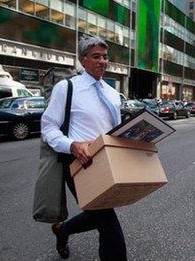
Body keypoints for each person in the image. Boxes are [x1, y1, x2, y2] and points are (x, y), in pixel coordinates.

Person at [41, 36, 126, 260]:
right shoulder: (66, 88)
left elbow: (114, 131)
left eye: (105, 57)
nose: (102, 62)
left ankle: (63, 230)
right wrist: (72, 145)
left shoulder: (111, 93)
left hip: (106, 161)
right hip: (79, 163)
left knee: (97, 215)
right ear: (82, 60)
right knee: (108, 222)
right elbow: (48, 127)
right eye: (96, 57)